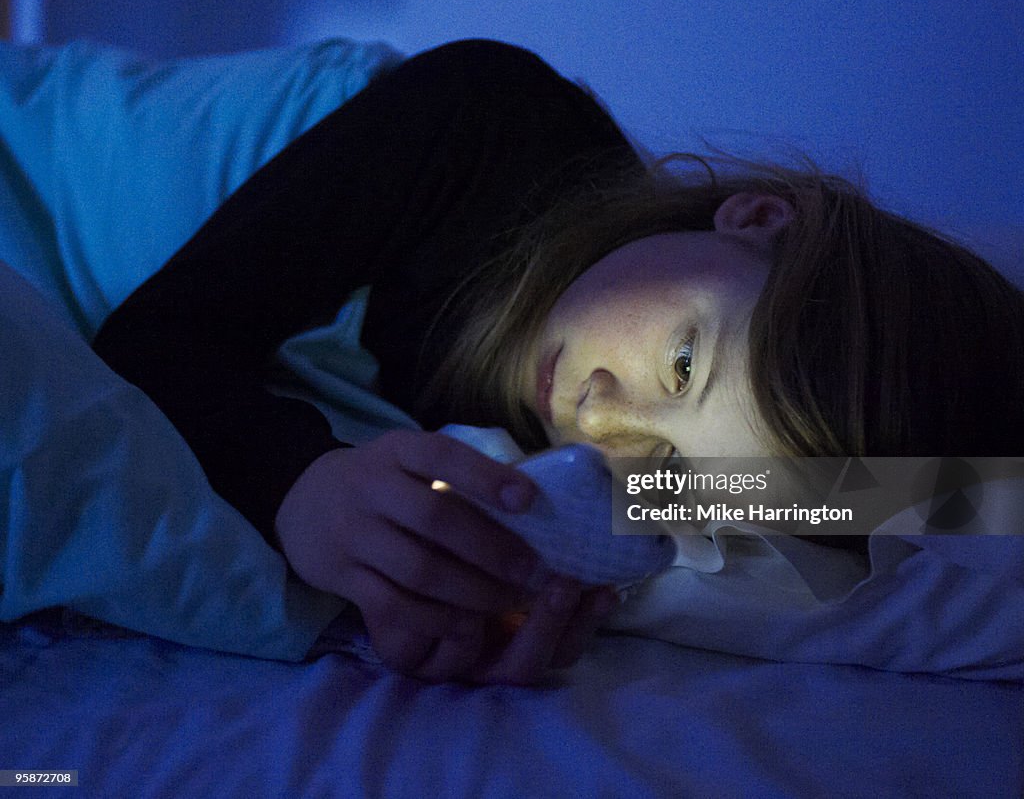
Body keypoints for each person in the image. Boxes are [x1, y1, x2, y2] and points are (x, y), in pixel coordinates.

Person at [92, 39, 1024, 683]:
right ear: (756, 217)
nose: (601, 419)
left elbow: (955, 496)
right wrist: (302, 484)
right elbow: (156, 337)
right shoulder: (490, 118)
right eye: (686, 365)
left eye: (660, 466)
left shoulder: (557, 474)